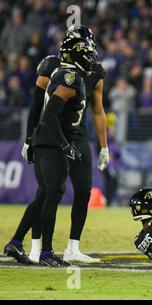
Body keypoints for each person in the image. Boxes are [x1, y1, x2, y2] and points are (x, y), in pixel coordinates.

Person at [4, 36, 98, 267]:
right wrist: (65, 146)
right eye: (88, 53)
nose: (92, 58)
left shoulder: (69, 75)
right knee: (53, 193)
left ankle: (16, 242)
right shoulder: (70, 77)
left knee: (45, 194)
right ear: (78, 56)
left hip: (47, 141)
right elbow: (50, 115)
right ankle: (45, 251)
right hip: (51, 143)